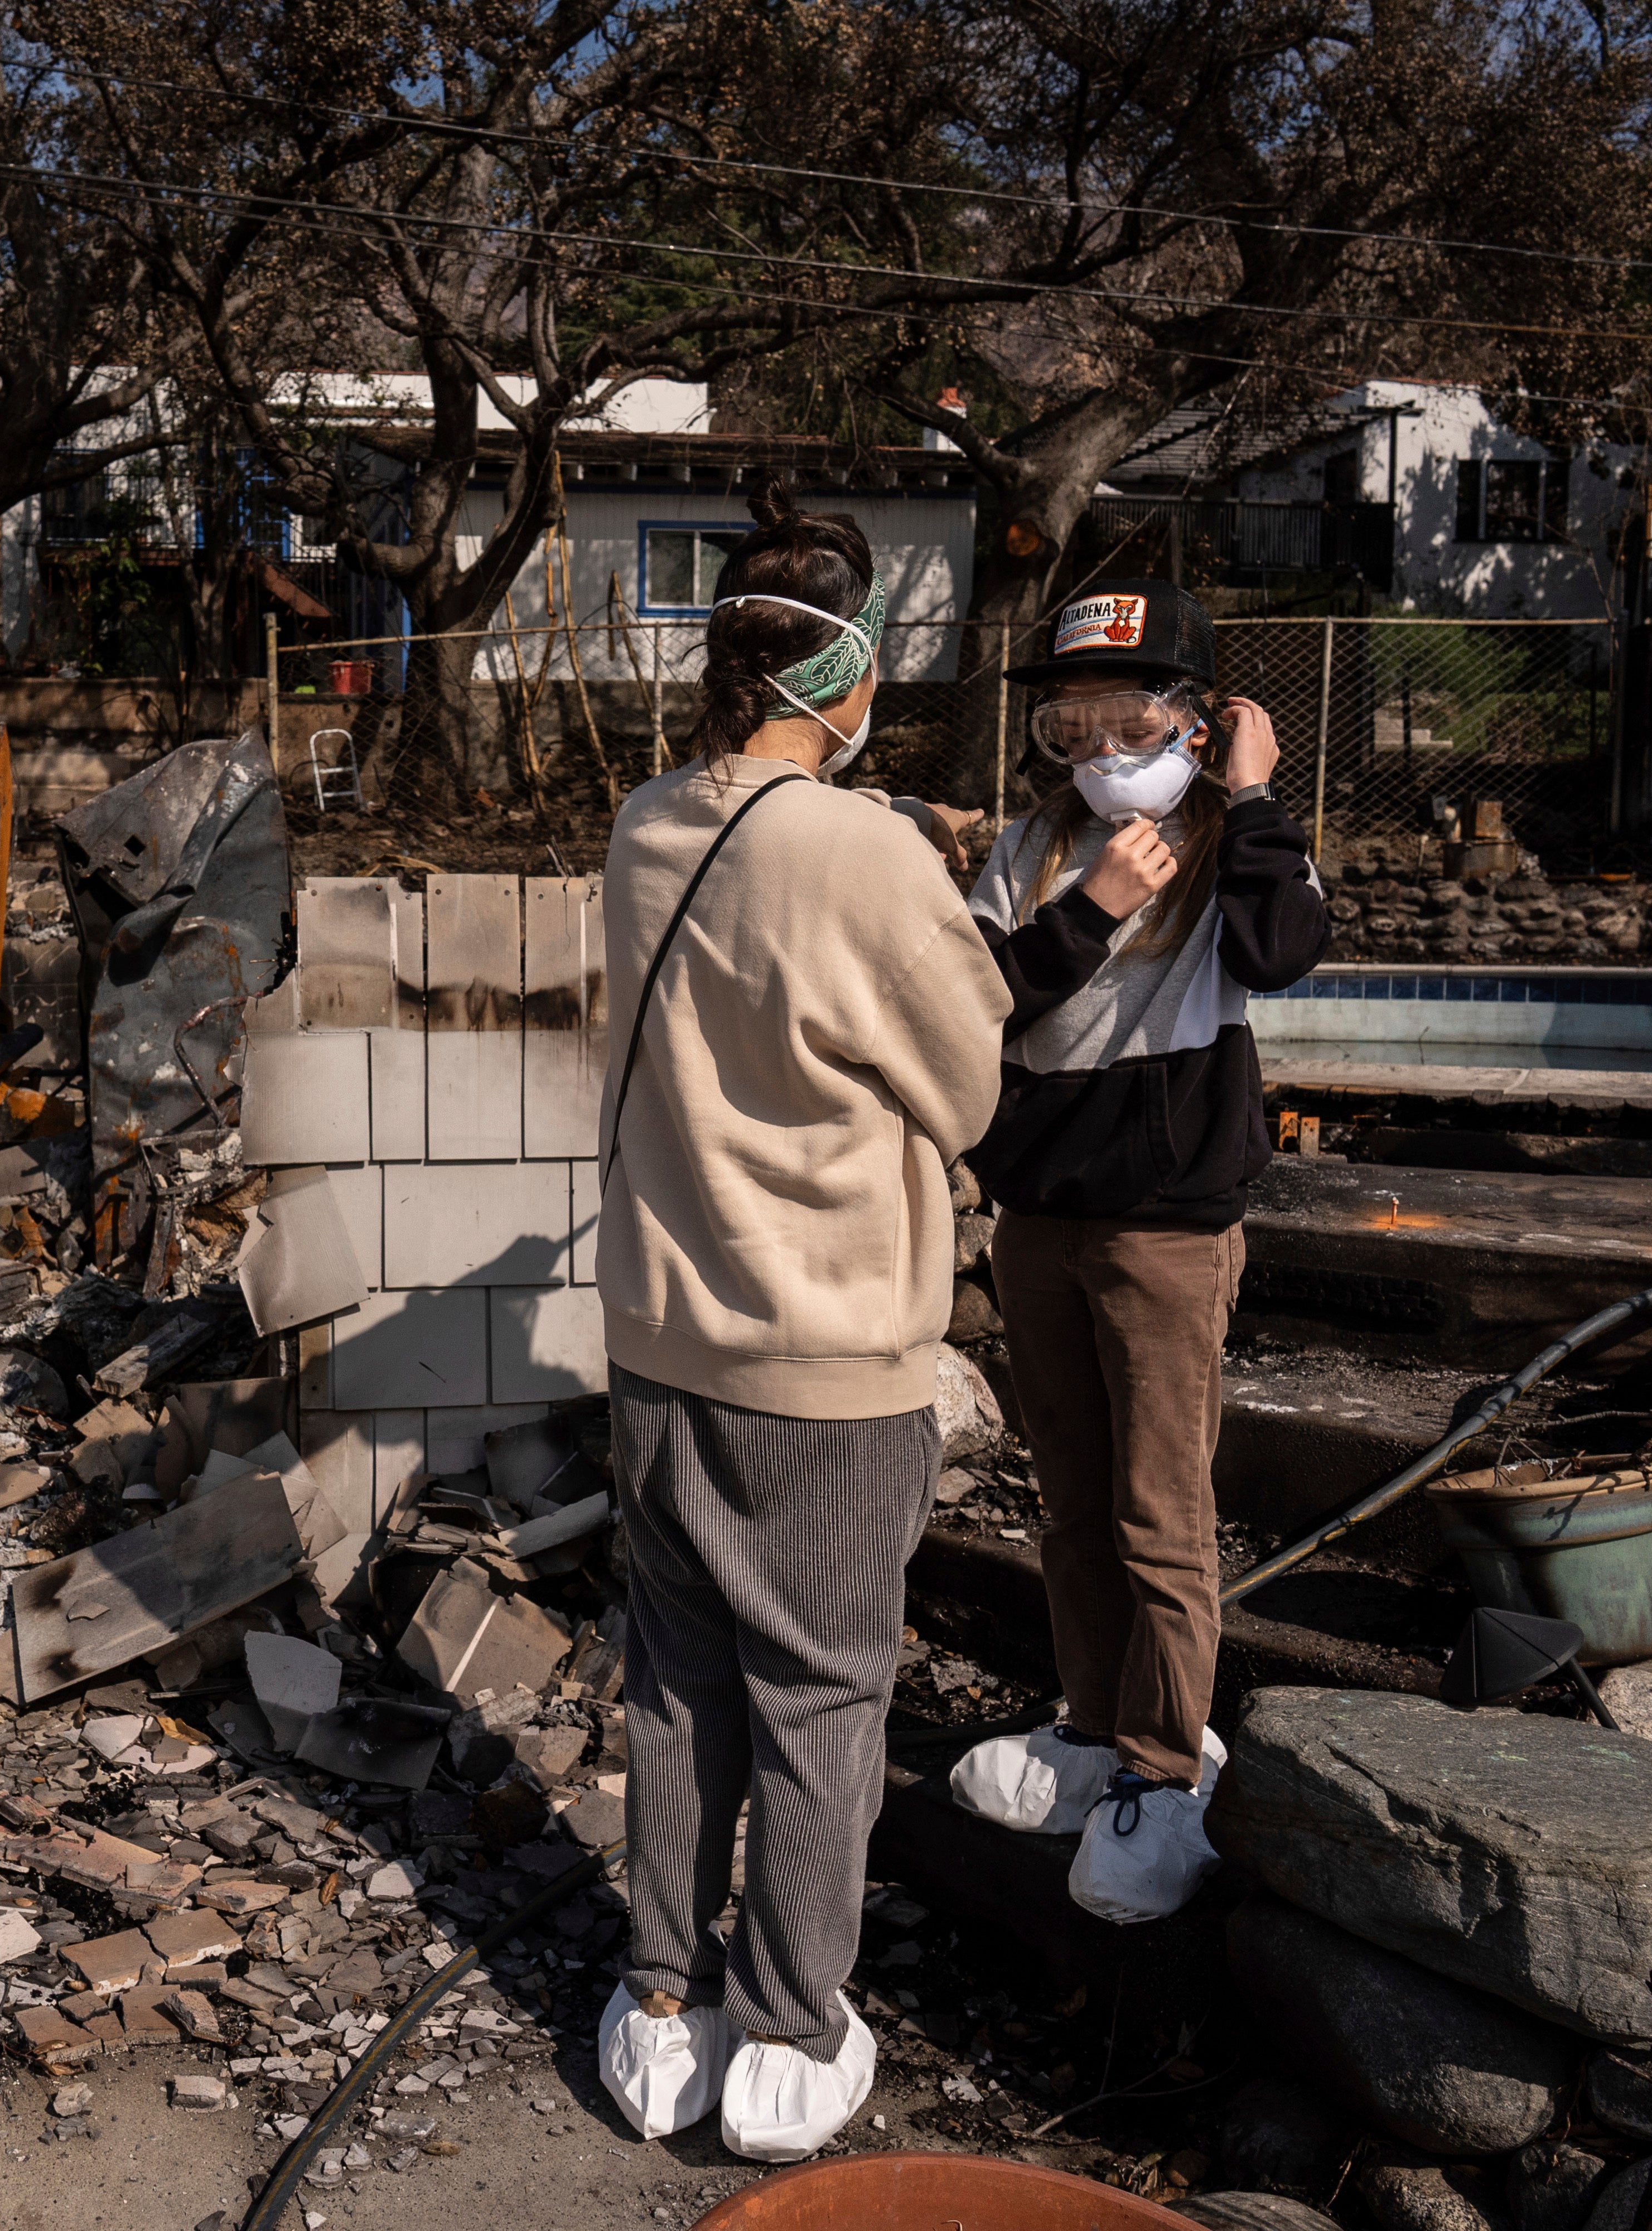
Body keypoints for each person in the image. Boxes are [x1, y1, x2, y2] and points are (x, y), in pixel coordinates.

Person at [591, 477, 1011, 2160]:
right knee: (824, 1698)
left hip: (657, 1335)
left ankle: (660, 2007)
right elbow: (971, 1081)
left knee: (677, 1685)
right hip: (826, 1355)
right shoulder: (872, 849)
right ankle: (788, 2032)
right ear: (852, 678)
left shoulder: (640, 824)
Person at [944, 579, 1330, 1924]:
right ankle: (1093, 1723)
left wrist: (1258, 787)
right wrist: (1095, 903)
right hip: (1040, 1215)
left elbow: (1286, 954)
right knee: (1066, 1499)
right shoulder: (1031, 848)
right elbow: (977, 1003)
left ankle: (1166, 1768)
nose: (1104, 750)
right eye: (1074, 725)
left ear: (1196, 716)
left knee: (1160, 1512)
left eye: (1133, 719)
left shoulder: (1237, 841)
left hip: (1170, 1226)